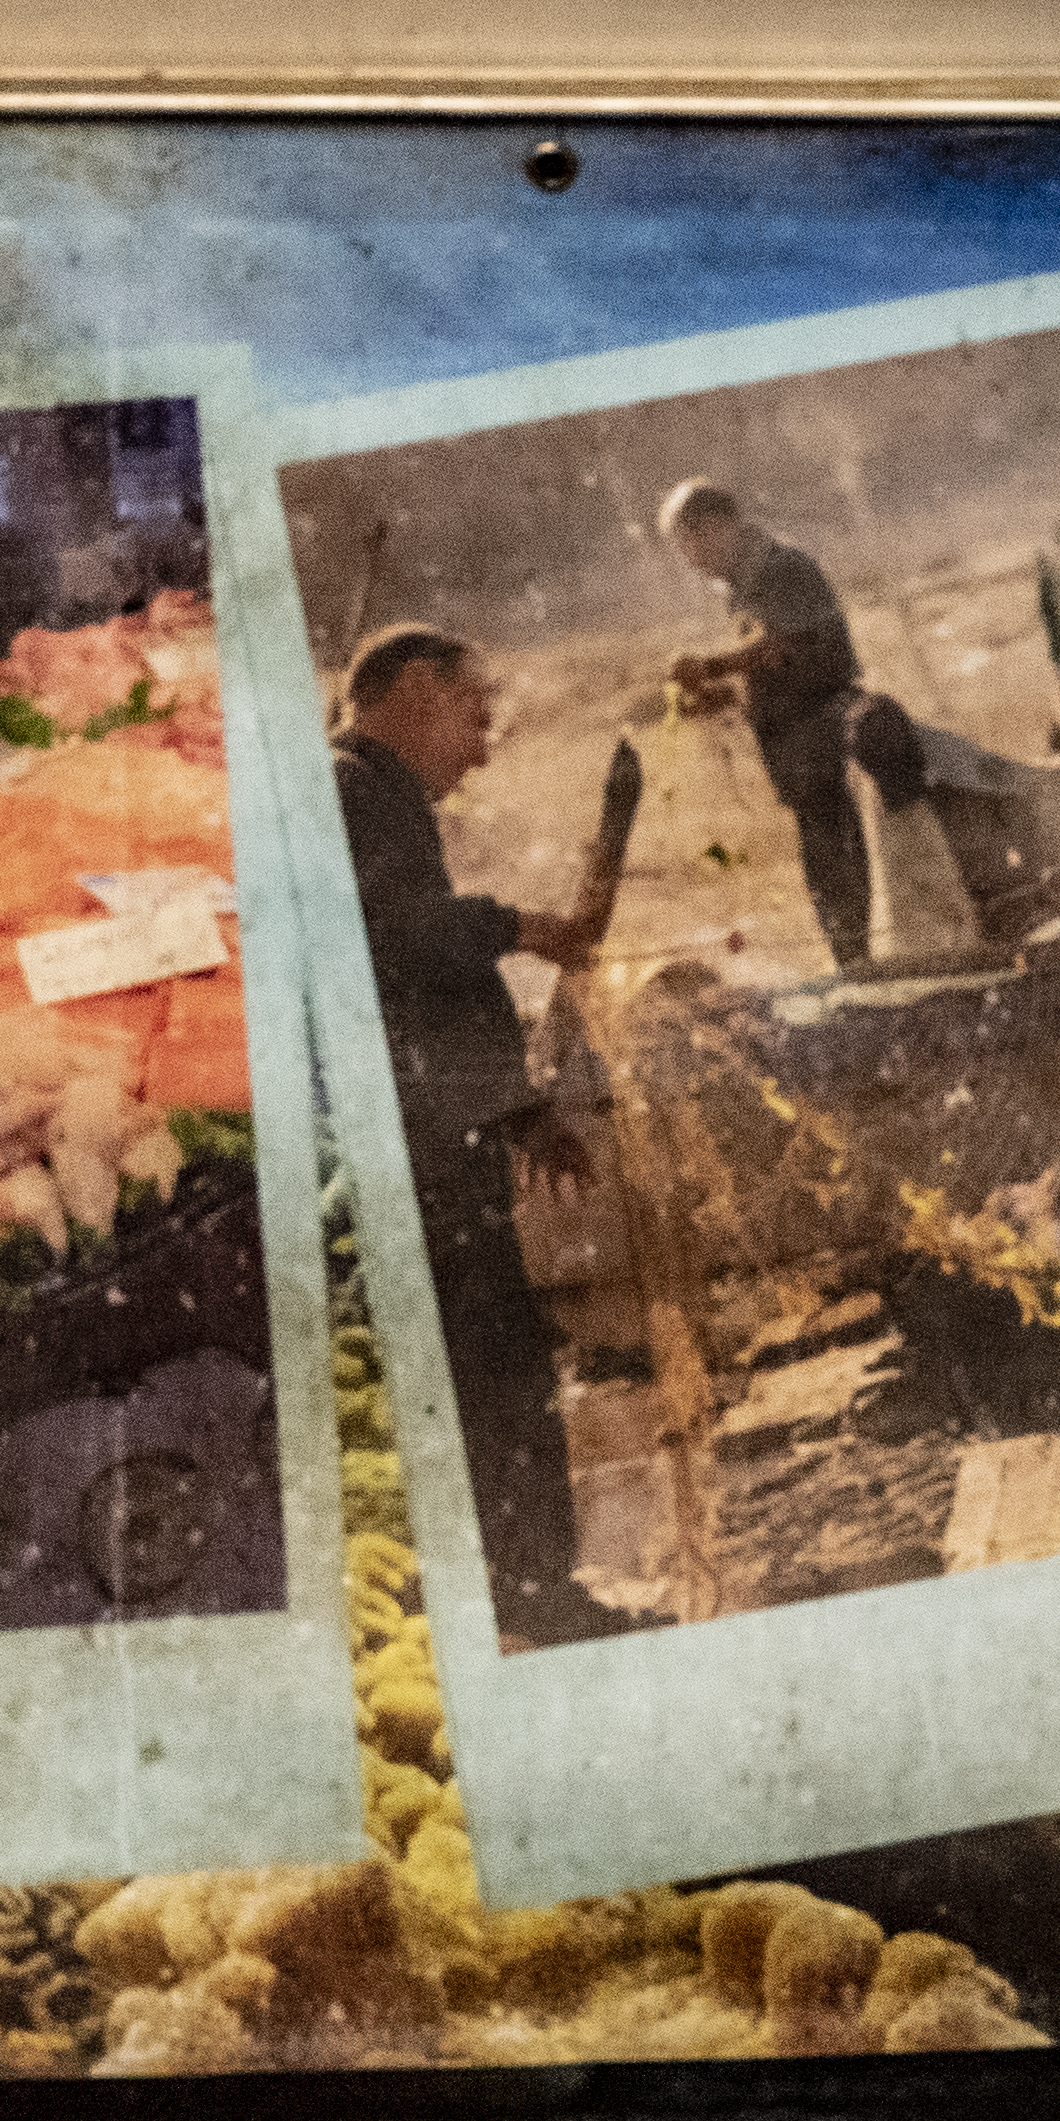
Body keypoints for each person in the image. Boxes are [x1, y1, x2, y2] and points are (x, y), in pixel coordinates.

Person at [333, 625, 625, 1651]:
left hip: (442, 1139)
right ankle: (526, 1594)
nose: (484, 747)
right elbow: (398, 941)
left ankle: (524, 1587)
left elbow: (434, 999)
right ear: (414, 689)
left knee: (492, 1363)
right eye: (475, 714)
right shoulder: (348, 790)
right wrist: (522, 923)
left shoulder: (380, 797)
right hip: (413, 1157)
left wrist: (520, 1108)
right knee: (489, 1370)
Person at [657, 477, 930, 974]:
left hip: (827, 738)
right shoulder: (743, 585)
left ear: (717, 526)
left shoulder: (781, 568)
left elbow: (778, 647)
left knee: (845, 867)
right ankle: (857, 967)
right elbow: (767, 669)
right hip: (798, 752)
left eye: (690, 544)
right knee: (828, 873)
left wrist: (712, 666)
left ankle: (864, 969)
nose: (691, 561)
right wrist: (717, 696)